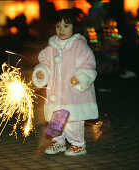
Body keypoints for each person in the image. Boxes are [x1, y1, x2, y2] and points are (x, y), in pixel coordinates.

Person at [32, 9, 98, 156]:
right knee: (56, 120)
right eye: (58, 26)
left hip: (73, 92)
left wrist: (80, 77)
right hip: (56, 93)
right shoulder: (51, 47)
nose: (61, 30)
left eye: (66, 26)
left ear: (75, 27)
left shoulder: (79, 47)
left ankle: (78, 144)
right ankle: (58, 142)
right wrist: (42, 71)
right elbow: (45, 62)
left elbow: (88, 65)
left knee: (73, 122)